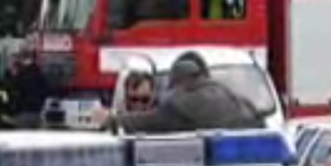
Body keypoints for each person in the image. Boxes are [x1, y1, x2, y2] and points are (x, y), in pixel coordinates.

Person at [98, 52, 260, 134]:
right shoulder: (231, 97)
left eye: (144, 99)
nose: (139, 104)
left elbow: (151, 121)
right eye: (134, 99)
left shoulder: (180, 104)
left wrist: (115, 121)